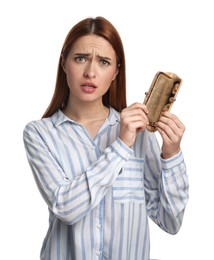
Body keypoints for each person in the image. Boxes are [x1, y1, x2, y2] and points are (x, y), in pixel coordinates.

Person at [23, 16, 189, 260]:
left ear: (115, 72)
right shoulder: (39, 134)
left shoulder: (139, 133)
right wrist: (121, 147)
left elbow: (170, 222)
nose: (90, 72)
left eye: (103, 62)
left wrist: (172, 154)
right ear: (64, 63)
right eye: (80, 58)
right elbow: (66, 207)